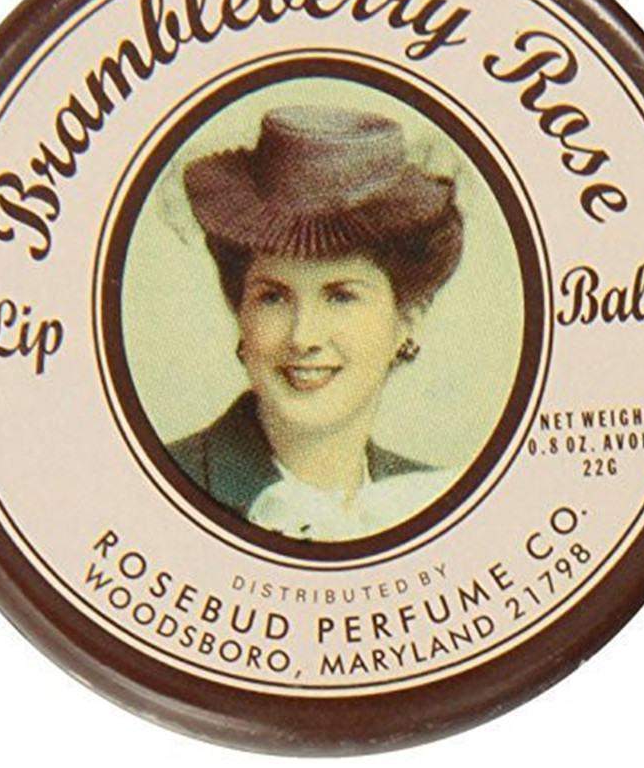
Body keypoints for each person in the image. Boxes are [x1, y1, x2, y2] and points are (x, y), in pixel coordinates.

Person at [165, 104, 464, 541]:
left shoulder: (430, 495)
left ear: (407, 317)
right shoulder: (170, 485)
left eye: (341, 296)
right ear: (240, 310)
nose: (302, 336)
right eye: (273, 297)